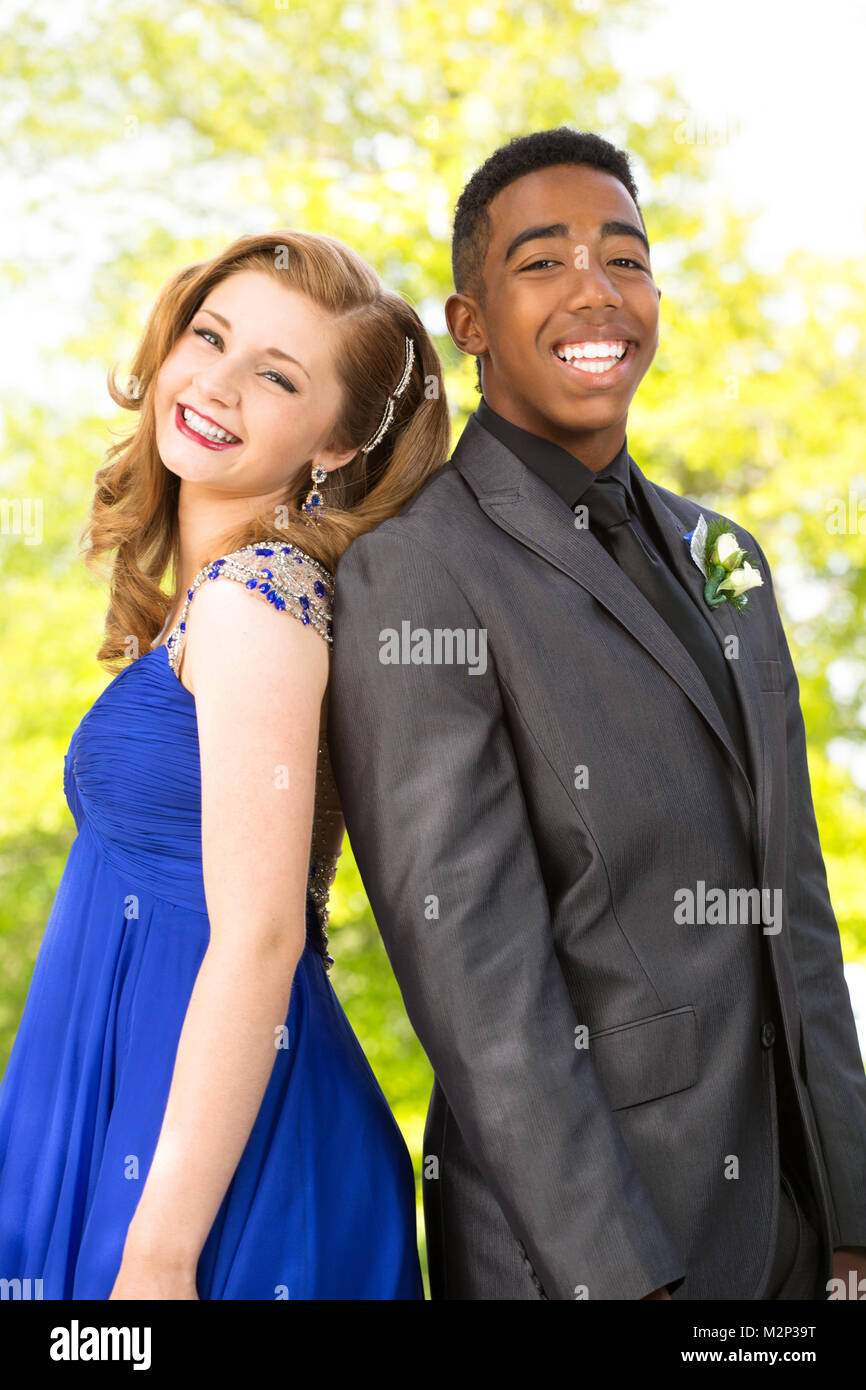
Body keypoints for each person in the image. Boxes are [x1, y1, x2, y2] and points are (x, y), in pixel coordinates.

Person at [327, 129, 866, 1300]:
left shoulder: (727, 557)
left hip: (793, 1233)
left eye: (623, 258)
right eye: (542, 262)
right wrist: (621, 1282)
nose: (594, 289)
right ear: (467, 323)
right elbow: (476, 978)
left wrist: (849, 1215)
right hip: (590, 1251)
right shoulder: (414, 573)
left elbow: (795, 899)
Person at [0, 229, 450, 1299]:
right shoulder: (216, 602)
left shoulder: (259, 599)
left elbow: (260, 932)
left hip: (198, 1180)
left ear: (333, 445)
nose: (216, 382)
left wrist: (158, 1257)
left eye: (278, 376)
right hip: (132, 1111)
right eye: (211, 336)